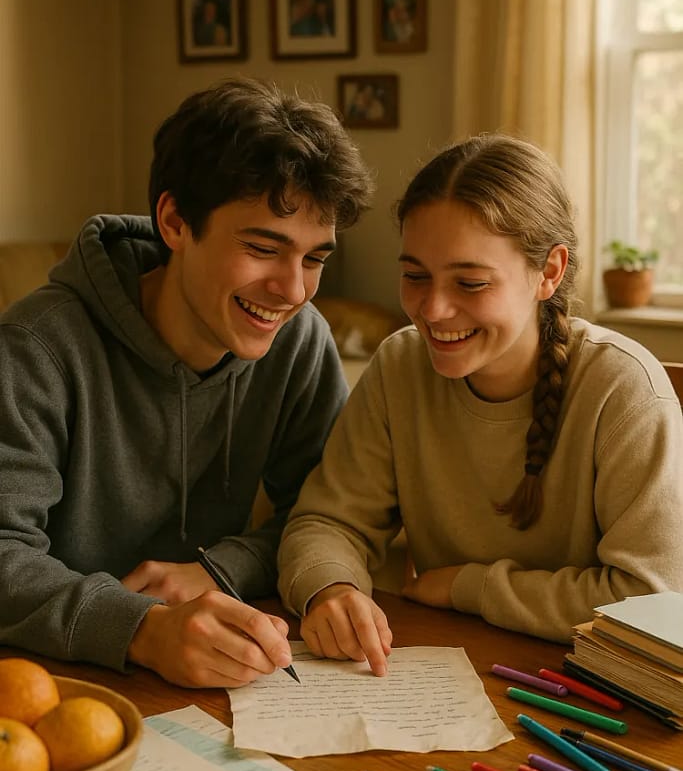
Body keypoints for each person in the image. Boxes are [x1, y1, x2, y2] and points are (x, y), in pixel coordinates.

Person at [0, 77, 373, 688]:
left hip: (216, 679)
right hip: (51, 682)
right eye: (262, 247)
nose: (293, 291)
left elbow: (325, 512)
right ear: (174, 222)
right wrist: (142, 627)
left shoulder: (300, 339)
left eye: (314, 259)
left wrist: (219, 568)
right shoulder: (34, 348)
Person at [277, 133, 683, 677]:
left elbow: (648, 601)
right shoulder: (400, 365)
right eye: (415, 276)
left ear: (550, 272)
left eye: (470, 282)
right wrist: (331, 586)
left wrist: (475, 586)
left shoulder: (622, 389)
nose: (434, 309)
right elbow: (327, 520)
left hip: (591, 690)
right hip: (455, 673)